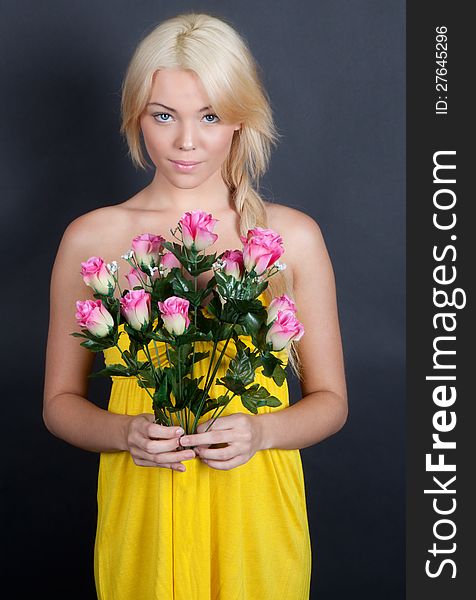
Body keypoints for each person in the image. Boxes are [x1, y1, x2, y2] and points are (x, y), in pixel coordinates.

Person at [43, 12, 348, 600]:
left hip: (254, 514)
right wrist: (125, 430)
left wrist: (261, 432)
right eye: (165, 116)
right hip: (145, 511)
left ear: (240, 118)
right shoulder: (92, 239)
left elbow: (331, 403)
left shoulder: (292, 237)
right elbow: (59, 404)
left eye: (209, 116)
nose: (186, 141)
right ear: (138, 117)